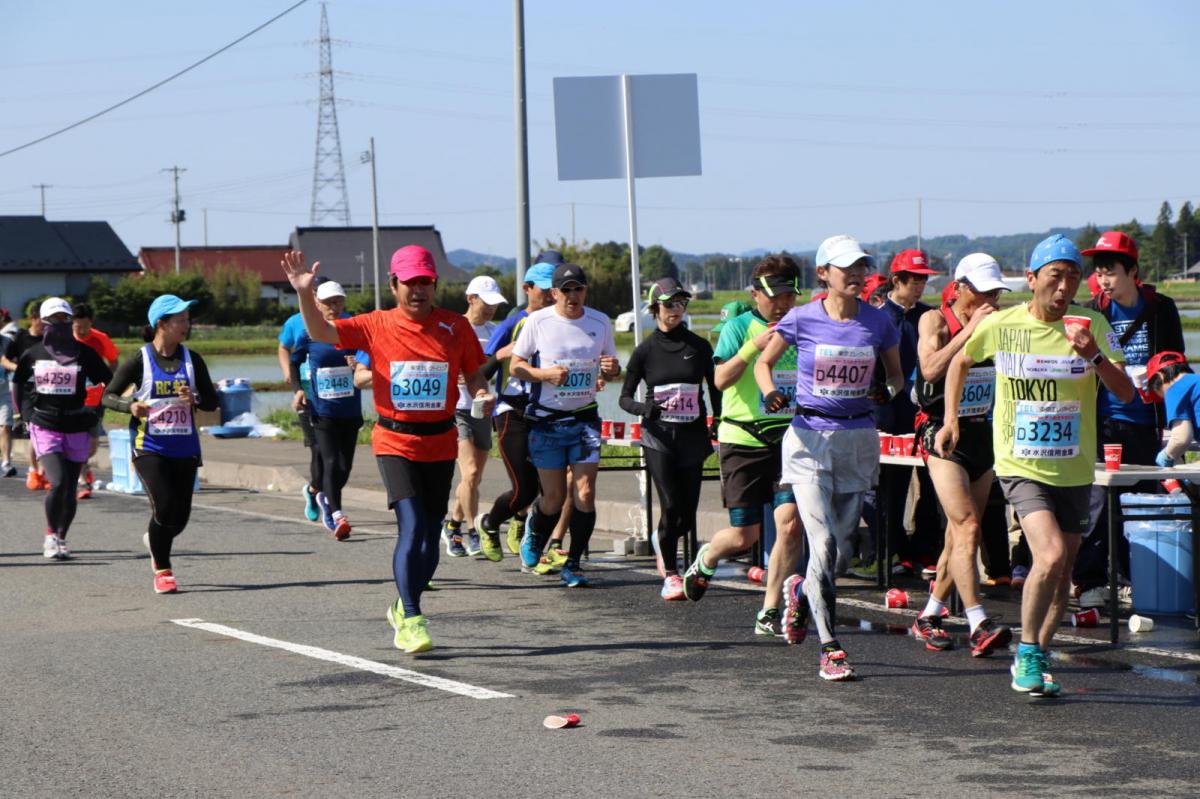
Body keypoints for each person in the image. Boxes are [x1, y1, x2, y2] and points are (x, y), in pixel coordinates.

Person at [936, 234, 1133, 697]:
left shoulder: (1092, 324)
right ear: (1031, 280)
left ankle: (1039, 654)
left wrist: (1093, 355)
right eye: (1054, 276)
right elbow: (959, 363)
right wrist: (951, 420)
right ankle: (1026, 650)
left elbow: (1126, 393)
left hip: (1075, 467)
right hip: (1021, 464)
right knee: (1049, 555)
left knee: (1062, 572)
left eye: (1072, 277)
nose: (1064, 287)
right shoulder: (1003, 325)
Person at [281, 245, 493, 655]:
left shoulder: (455, 327)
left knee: (431, 538)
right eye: (410, 282)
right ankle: (412, 616)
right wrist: (305, 293)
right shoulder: (376, 324)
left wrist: (483, 394)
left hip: (440, 440)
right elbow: (323, 334)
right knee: (412, 527)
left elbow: (474, 374)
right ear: (394, 285)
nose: (418, 290)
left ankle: (402, 604)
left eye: (425, 282)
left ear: (435, 284)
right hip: (395, 441)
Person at [755, 235, 902, 681]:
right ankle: (830, 647)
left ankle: (798, 589)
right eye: (845, 268)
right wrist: (771, 393)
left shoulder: (878, 323)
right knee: (821, 543)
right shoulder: (801, 319)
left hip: (857, 438)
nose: (856, 275)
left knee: (838, 554)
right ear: (824, 274)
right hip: (808, 439)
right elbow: (763, 364)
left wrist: (886, 390)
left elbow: (896, 376)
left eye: (860, 267)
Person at [681, 255, 805, 642]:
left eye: (789, 295)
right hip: (743, 438)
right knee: (744, 537)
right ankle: (707, 559)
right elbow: (719, 380)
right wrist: (754, 347)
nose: (783, 304)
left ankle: (769, 608)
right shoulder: (738, 327)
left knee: (789, 524)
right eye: (775, 297)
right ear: (755, 294)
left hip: (789, 438)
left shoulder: (801, 328)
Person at [1074, 231, 1185, 608]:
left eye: (1112, 271)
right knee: (1099, 501)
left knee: (1142, 498)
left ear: (1133, 271)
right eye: (1100, 272)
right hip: (1105, 417)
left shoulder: (1161, 308)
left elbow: (1176, 365)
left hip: (1147, 419)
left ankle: (1135, 576)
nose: (1105, 280)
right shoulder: (1093, 313)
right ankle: (1090, 580)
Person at [911, 254, 1013, 655]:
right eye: (984, 291)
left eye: (996, 292)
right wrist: (970, 329)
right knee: (969, 526)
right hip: (941, 433)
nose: (991, 299)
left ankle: (930, 614)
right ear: (961, 289)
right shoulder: (934, 320)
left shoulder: (998, 321)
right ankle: (977, 622)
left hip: (980, 435)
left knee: (958, 537)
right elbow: (931, 369)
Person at [510, 262, 621, 587]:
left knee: (585, 492)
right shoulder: (538, 321)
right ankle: (535, 530)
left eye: (579, 289)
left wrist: (612, 368)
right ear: (555, 293)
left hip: (584, 418)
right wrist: (544, 374)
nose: (573, 296)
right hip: (546, 421)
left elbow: (610, 369)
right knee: (554, 498)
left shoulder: (599, 321)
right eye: (566, 290)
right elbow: (516, 366)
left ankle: (573, 563)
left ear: (586, 290)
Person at [102, 295, 219, 592]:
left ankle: (155, 538)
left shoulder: (193, 360)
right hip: (149, 447)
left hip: (185, 448)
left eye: (187, 319)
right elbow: (108, 396)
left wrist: (195, 399)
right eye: (181, 320)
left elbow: (213, 401)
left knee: (179, 518)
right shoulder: (139, 360)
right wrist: (130, 406)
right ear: (162, 324)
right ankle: (163, 570)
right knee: (165, 507)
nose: (187, 325)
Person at [620, 277, 721, 600]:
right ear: (654, 309)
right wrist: (644, 409)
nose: (675, 310)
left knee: (688, 512)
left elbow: (714, 389)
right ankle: (673, 574)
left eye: (681, 303)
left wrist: (717, 420)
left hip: (691, 435)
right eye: (668, 305)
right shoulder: (645, 351)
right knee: (671, 504)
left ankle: (664, 540)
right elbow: (623, 398)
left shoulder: (699, 346)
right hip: (659, 438)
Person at [12, 298, 112, 560]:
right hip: (45, 425)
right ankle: (50, 535)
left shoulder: (84, 354)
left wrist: (95, 414)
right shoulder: (32, 354)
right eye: (53, 320)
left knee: (69, 487)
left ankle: (61, 537)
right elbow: (19, 384)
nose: (59, 324)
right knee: (56, 482)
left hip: (77, 424)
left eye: (63, 319)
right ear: (44, 323)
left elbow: (108, 384)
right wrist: (27, 414)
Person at [474, 255, 559, 564]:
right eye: (545, 289)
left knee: (549, 489)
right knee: (523, 490)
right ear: (527, 288)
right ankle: (489, 523)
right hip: (513, 410)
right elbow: (479, 369)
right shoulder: (515, 320)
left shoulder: (560, 321)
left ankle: (529, 537)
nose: (551, 295)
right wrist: (502, 353)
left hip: (548, 412)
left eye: (555, 290)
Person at [876, 249, 941, 576]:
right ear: (896, 279)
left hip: (927, 411)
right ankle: (895, 549)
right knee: (893, 486)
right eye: (914, 279)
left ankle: (927, 549)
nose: (920, 286)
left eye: (924, 280)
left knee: (932, 484)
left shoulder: (930, 316)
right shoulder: (877, 315)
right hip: (891, 412)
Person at [289, 281, 364, 540]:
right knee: (330, 462)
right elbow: (294, 359)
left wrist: (359, 364)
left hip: (350, 409)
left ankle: (322, 496)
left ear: (343, 303)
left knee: (344, 467)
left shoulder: (354, 330)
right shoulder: (309, 333)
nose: (333, 306)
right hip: (321, 410)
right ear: (317, 304)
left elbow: (371, 356)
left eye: (337, 301)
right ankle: (337, 514)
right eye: (328, 302)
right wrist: (299, 389)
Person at [441, 275, 508, 559]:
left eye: (496, 304)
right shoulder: (452, 328)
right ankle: (473, 532)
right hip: (457, 408)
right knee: (468, 472)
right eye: (486, 302)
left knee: (474, 478)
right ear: (471, 299)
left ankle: (452, 524)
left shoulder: (495, 332)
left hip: (483, 408)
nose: (492, 309)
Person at [279, 302, 324, 524]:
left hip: (335, 395)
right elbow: (284, 347)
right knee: (317, 449)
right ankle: (318, 493)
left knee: (337, 456)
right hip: (306, 392)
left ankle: (319, 491)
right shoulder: (295, 321)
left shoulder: (343, 318)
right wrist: (288, 371)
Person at [71, 303, 120, 499]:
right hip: (71, 398)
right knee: (77, 437)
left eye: (85, 327)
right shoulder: (64, 341)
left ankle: (83, 467)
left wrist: (109, 383)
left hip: (95, 395)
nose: (81, 331)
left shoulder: (101, 339)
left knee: (92, 444)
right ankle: (82, 480)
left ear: (91, 322)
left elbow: (114, 360)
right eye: (77, 327)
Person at [1148, 352, 1198, 465]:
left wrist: (1165, 457)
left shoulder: (1174, 387)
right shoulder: (1196, 381)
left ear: (1160, 376)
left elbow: (1181, 439)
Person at [0, 308, 17, 477]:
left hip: (4, 390)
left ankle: (6, 462)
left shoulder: (8, 342)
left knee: (6, 425)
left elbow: (15, 362)